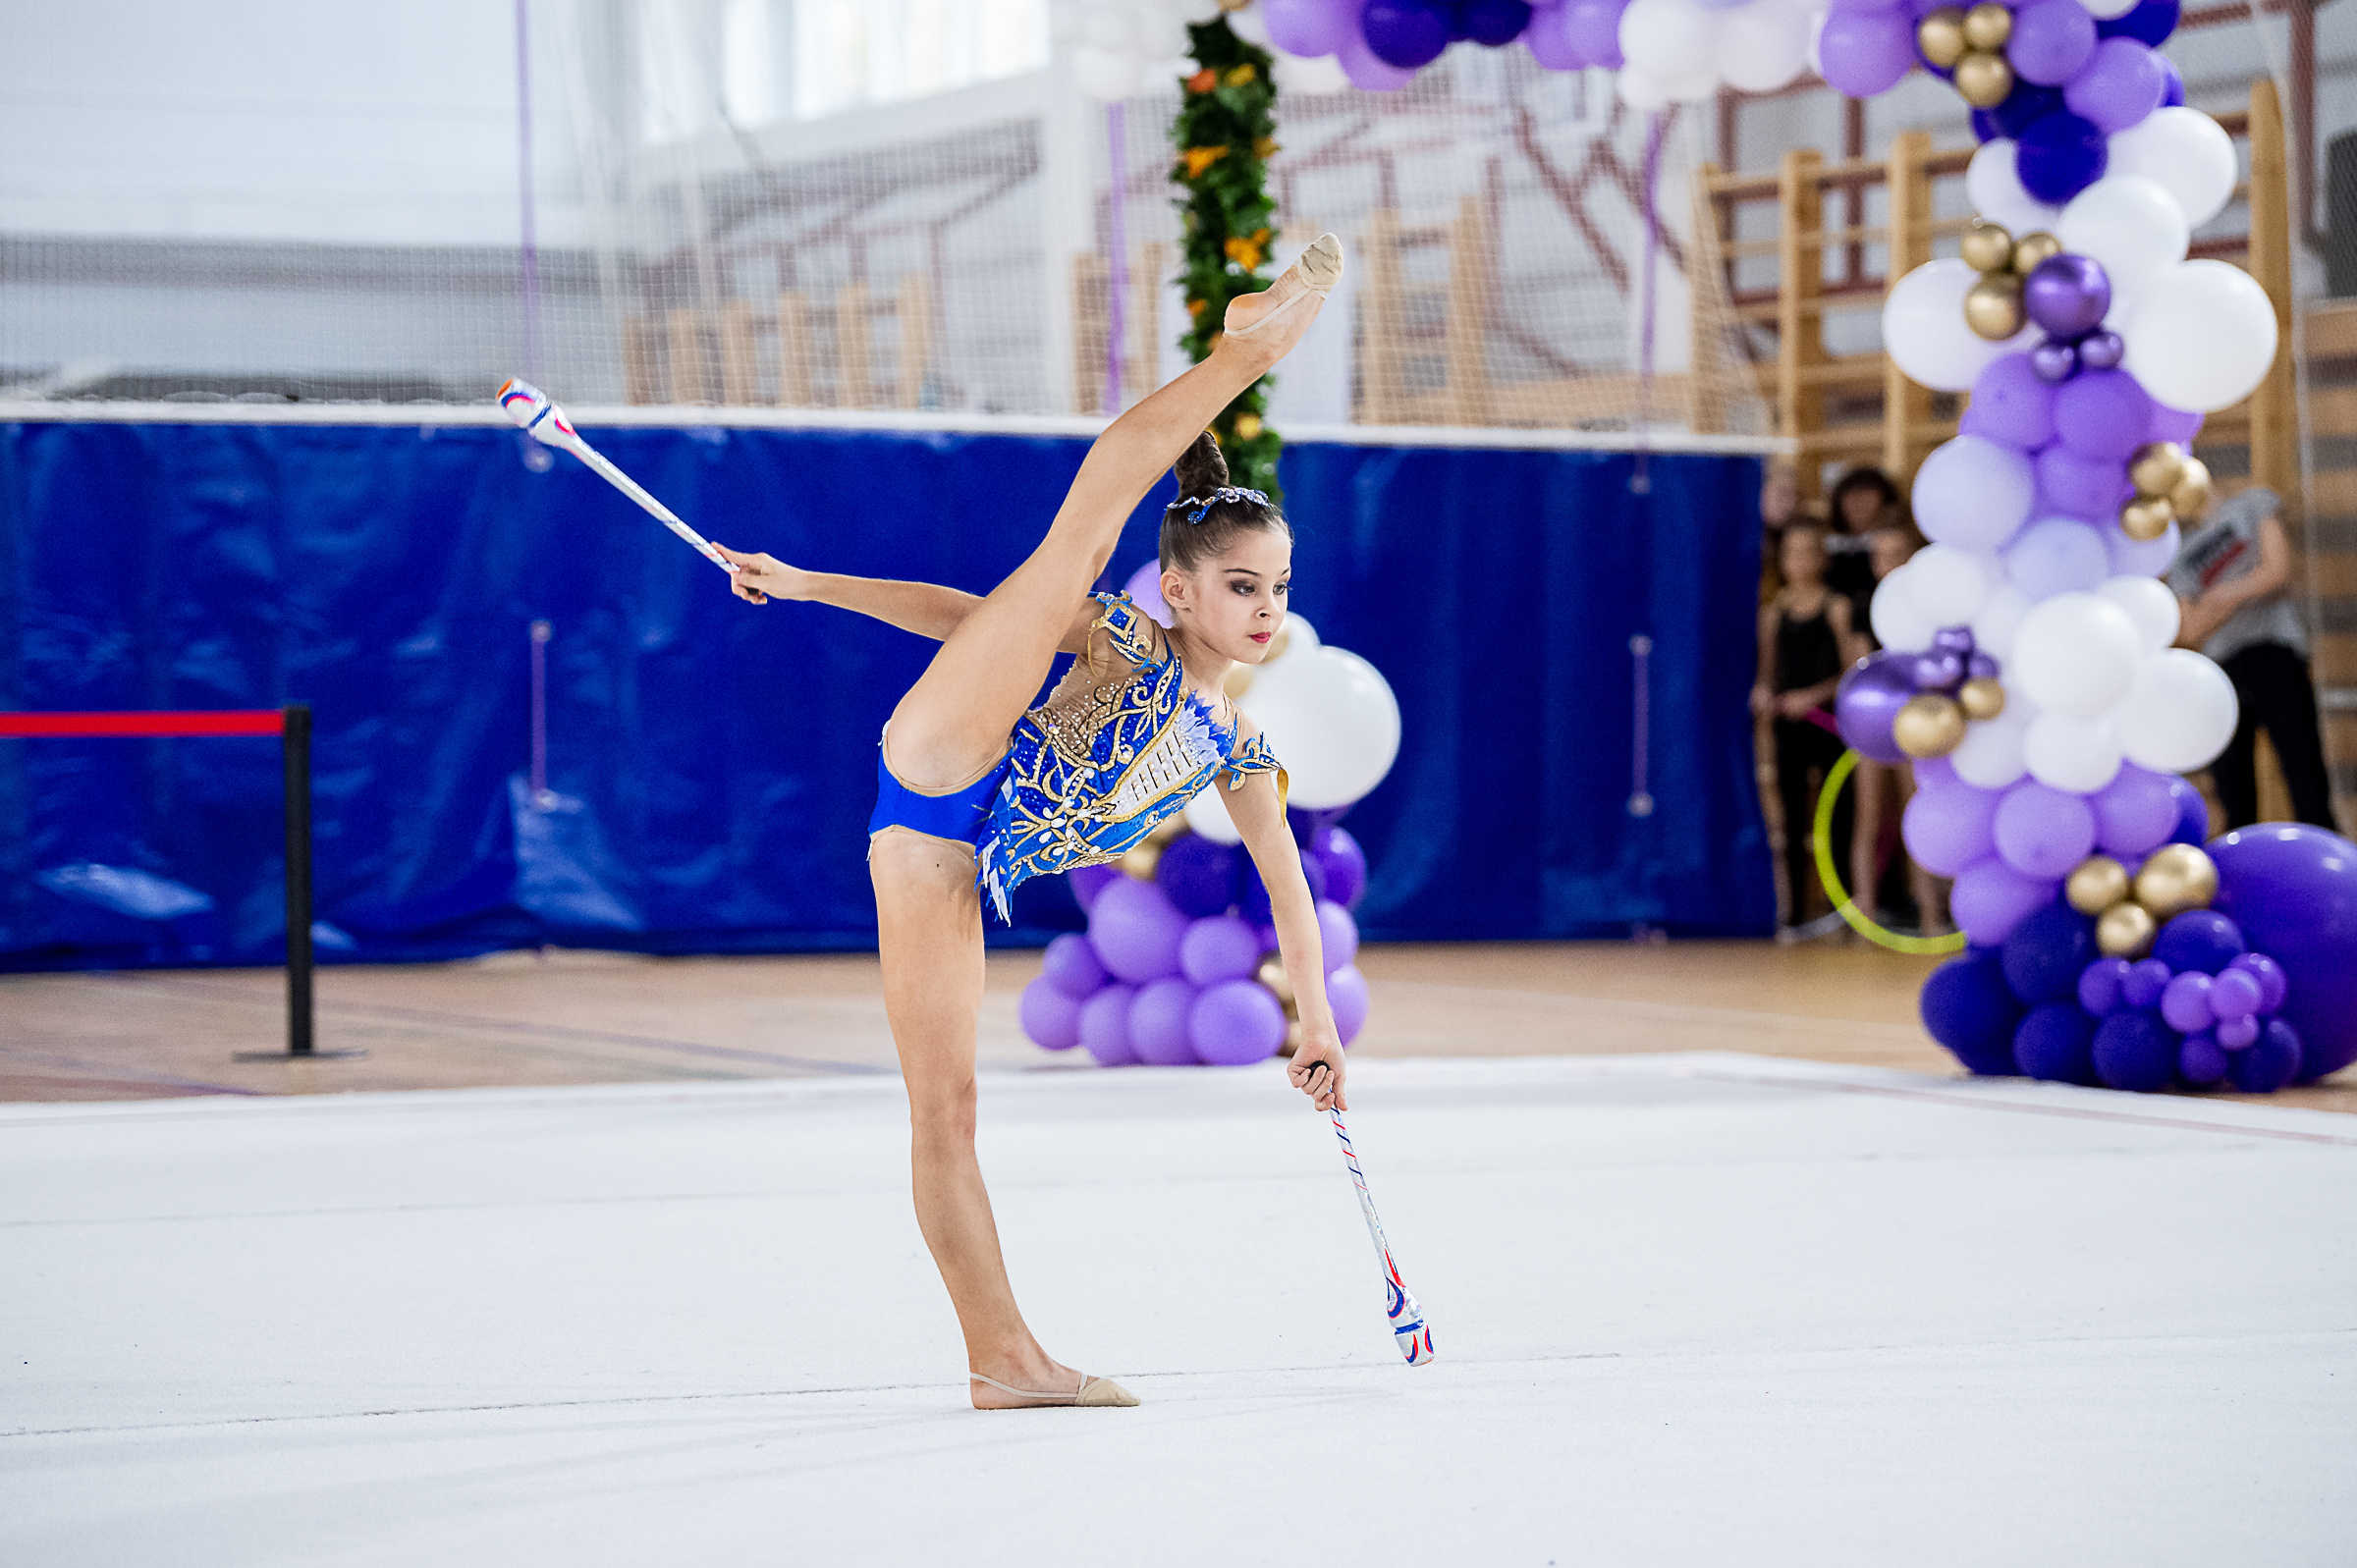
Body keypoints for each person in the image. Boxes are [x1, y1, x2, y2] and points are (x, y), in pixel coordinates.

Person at [709, 238, 1348, 1412]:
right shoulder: (1128, 633)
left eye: (1281, 588)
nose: (1268, 609)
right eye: (1244, 585)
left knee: (945, 1110)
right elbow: (968, 620)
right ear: (1186, 589)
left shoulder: (1238, 749)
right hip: (956, 751)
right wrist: (807, 583)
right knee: (1079, 529)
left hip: (940, 855)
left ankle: (1001, 1358)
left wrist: (1314, 1018)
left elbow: (1288, 891)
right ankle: (1249, 353)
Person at [2167, 480, 2338, 830]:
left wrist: (2221, 596)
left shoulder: (2253, 504)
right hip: (2223, 670)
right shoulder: (2180, 554)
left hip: (2276, 654)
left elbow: (2277, 573)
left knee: (2306, 779)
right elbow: (2191, 629)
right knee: (2234, 790)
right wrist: (2248, 586)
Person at [1752, 525, 1856, 932]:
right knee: (1792, 816)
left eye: (1809, 552)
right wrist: (1766, 693)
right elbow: (1767, 670)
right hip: (1787, 724)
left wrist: (1812, 696)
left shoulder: (1836, 606)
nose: (1800, 561)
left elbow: (1850, 671)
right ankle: (1793, 911)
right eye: (1792, 553)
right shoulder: (1773, 611)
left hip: (1828, 723)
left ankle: (1842, 907)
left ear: (1822, 558)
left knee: (1838, 814)